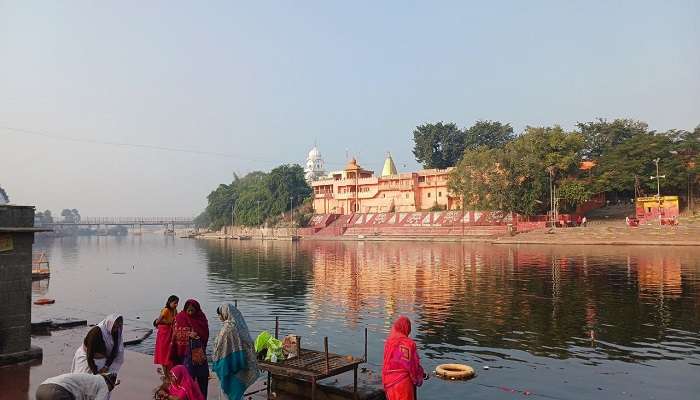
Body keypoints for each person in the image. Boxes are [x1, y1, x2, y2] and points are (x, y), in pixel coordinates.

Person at [212, 303, 260, 400]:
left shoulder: (227, 329)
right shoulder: (239, 326)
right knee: (237, 392)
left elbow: (221, 349)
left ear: (225, 314)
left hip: (228, 365)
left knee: (227, 391)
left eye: (219, 314)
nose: (219, 317)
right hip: (239, 363)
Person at [171, 299, 209, 398]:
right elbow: (175, 333)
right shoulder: (180, 317)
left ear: (197, 310)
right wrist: (188, 334)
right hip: (183, 354)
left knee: (202, 378)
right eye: (189, 310)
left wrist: (197, 335)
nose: (191, 313)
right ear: (185, 309)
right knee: (186, 379)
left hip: (197, 352)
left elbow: (205, 334)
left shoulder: (201, 318)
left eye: (193, 310)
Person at [382, 316, 426, 400]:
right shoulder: (409, 344)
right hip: (403, 384)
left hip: (389, 381)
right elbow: (413, 367)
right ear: (407, 328)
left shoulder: (389, 342)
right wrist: (421, 374)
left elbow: (386, 362)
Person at [36, 372, 118, 400]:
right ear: (109, 383)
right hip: (58, 393)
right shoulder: (104, 386)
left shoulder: (91, 378)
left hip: (41, 389)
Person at [154, 295, 179, 371]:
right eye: (174, 303)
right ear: (169, 302)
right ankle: (166, 374)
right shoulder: (166, 310)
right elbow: (158, 321)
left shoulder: (175, 310)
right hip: (164, 333)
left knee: (170, 351)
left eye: (177, 303)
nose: (176, 305)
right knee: (164, 353)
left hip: (170, 332)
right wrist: (169, 322)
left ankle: (169, 372)